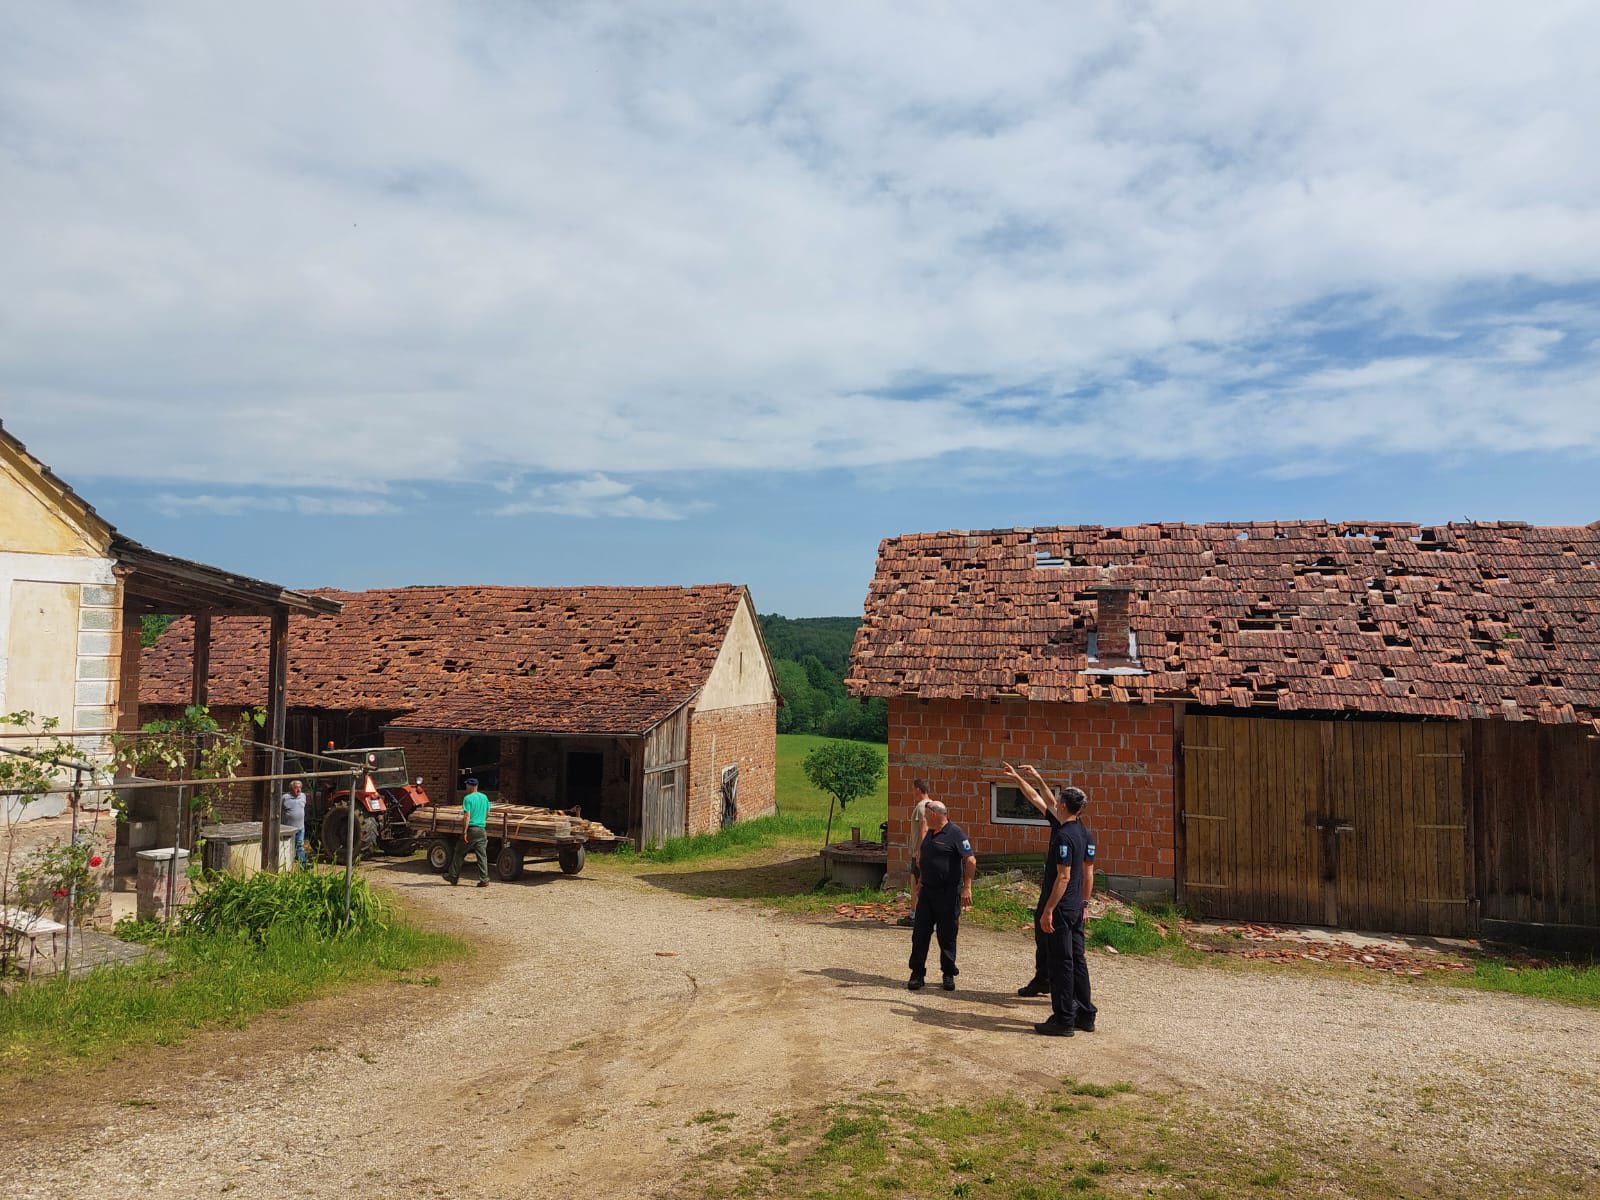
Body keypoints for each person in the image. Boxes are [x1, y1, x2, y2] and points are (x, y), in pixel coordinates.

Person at [1003, 763, 1097, 1036]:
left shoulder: (1064, 835)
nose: (1054, 802)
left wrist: (1048, 910)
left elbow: (1064, 877)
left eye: (1059, 801)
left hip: (1061, 904)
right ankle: (1085, 1014)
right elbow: (1039, 796)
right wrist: (1084, 904)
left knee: (1061, 962)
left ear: (1065, 806)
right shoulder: (1084, 832)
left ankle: (1063, 1018)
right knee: (1077, 960)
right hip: (1076, 906)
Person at [906, 799, 976, 992]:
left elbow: (970, 861)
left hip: (948, 893)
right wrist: (920, 882)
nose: (925, 816)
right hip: (928, 891)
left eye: (927, 813)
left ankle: (948, 973)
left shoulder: (955, 833)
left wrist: (967, 887)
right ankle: (917, 973)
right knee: (920, 933)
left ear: (936, 814)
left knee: (947, 934)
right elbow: (925, 860)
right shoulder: (930, 833)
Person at [896, 780, 933, 928]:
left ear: (918, 790)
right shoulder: (933, 804)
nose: (912, 792)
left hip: (920, 851)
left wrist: (919, 851)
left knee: (916, 882)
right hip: (929, 850)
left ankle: (915, 915)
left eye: (913, 789)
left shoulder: (921, 807)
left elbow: (923, 829)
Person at [445, 777, 492, 887]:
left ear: (471, 786)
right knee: (482, 856)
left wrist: (465, 831)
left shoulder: (468, 798)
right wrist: (482, 821)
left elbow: (467, 815)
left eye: (467, 785)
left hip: (472, 829)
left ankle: (453, 876)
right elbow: (487, 812)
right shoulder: (484, 797)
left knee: (459, 852)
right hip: (482, 829)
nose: (466, 787)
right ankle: (484, 879)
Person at [279, 779, 309, 868]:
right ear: (291, 788)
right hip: (288, 829)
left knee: (300, 847)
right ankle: (287, 866)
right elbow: (279, 810)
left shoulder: (303, 796)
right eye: (296, 788)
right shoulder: (284, 798)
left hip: (300, 828)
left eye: (300, 788)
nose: (299, 790)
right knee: (288, 847)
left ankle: (303, 867)